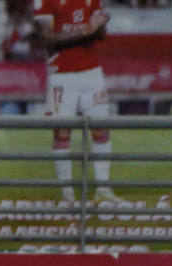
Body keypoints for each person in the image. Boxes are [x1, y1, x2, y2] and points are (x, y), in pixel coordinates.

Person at [32, 0, 124, 205]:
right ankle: (68, 195)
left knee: (101, 130)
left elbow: (101, 34)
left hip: (92, 72)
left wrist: (100, 24)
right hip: (61, 74)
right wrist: (86, 30)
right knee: (62, 132)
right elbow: (47, 38)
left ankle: (103, 190)